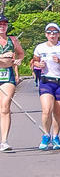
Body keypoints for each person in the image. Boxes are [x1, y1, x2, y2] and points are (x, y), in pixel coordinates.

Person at [32, 23, 60, 150]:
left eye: (55, 33)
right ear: (46, 34)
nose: (52, 35)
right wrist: (38, 64)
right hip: (46, 82)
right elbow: (34, 62)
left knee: (57, 113)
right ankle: (46, 134)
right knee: (46, 110)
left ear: (58, 34)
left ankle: (56, 136)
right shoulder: (40, 47)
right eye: (49, 33)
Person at [0, 14, 25, 151]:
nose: (2, 26)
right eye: (0, 24)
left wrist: (18, 60)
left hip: (7, 76)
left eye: (4, 24)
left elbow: (21, 53)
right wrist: (3, 56)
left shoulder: (13, 40)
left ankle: (4, 141)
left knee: (5, 106)